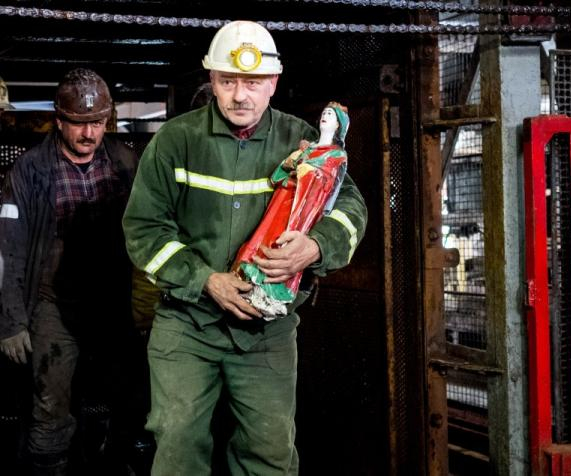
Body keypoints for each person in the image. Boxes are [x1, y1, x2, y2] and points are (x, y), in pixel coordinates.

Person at [121, 20, 367, 475]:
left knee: (269, 453)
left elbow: (351, 209)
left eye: (253, 83)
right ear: (212, 81)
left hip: (266, 333)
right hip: (187, 325)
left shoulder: (303, 142)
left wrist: (315, 246)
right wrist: (205, 280)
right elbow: (144, 230)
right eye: (229, 81)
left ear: (273, 82)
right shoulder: (175, 142)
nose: (240, 95)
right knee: (177, 443)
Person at [0, 68, 144, 475]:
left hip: (113, 303)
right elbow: (7, 248)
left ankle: (112, 462)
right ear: (59, 121)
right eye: (79, 124)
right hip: (54, 305)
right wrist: (11, 322)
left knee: (130, 397)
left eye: (97, 123)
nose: (89, 134)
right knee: (50, 408)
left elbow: (149, 236)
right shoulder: (29, 170)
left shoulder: (125, 163)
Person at [232, 102, 350, 318]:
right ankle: (253, 282)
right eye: (324, 113)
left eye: (331, 115)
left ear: (339, 126)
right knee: (266, 238)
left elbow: (330, 187)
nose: (325, 117)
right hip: (284, 200)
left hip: (303, 208)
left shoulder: (336, 156)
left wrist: (305, 169)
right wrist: (291, 164)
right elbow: (279, 174)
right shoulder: (308, 148)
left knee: (285, 247)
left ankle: (272, 293)